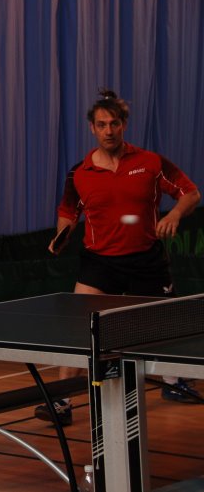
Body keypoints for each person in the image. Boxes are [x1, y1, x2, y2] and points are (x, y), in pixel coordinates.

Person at [37, 88, 202, 426]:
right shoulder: (79, 173)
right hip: (100, 262)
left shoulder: (151, 163)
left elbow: (190, 192)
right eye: (101, 125)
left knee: (166, 324)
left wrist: (174, 215)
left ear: (124, 124)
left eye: (114, 123)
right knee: (80, 328)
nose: (108, 130)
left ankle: (174, 382)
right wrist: (62, 234)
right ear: (92, 128)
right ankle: (62, 400)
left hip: (146, 259)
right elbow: (68, 212)